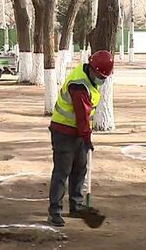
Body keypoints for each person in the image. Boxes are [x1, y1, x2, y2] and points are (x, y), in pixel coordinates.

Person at [47, 49, 114, 227]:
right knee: (62, 172)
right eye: (100, 76)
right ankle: (55, 211)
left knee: (80, 168)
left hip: (77, 132)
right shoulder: (79, 85)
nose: (102, 80)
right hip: (63, 131)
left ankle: (76, 205)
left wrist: (85, 137)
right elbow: (82, 116)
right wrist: (87, 138)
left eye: (105, 77)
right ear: (92, 69)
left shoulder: (91, 79)